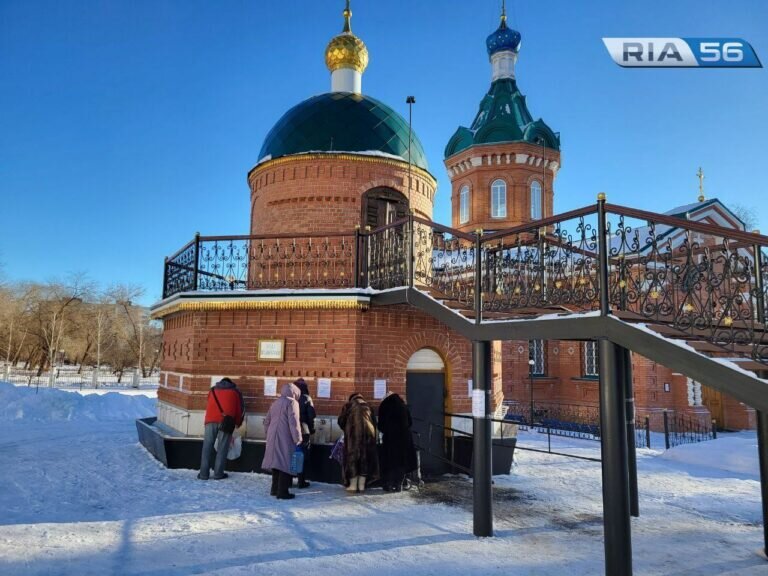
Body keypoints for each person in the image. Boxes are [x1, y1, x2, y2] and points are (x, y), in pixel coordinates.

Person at [198, 377, 244, 481]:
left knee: (207, 447)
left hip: (210, 421)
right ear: (231, 383)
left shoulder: (212, 390)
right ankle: (218, 474)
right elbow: (238, 410)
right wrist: (237, 423)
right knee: (222, 448)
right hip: (226, 423)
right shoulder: (235, 392)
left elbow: (209, 404)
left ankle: (203, 474)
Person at [262, 382, 303, 500]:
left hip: (272, 435)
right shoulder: (292, 402)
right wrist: (298, 438)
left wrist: (268, 434)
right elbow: (293, 422)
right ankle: (283, 492)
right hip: (285, 436)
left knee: (276, 462)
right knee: (285, 462)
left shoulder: (275, 402)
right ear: (295, 393)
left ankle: (274, 489)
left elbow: (267, 421)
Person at [337, 393, 379, 492]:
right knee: (365, 458)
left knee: (353, 458)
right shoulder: (368, 406)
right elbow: (374, 422)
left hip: (353, 436)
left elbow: (341, 421)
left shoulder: (348, 406)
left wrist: (347, 428)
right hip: (368, 435)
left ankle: (353, 486)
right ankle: (361, 486)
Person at [378, 392, 418, 491]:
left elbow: (381, 426)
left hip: (390, 438)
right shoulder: (403, 406)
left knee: (390, 461)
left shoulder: (384, 406)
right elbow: (410, 422)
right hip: (404, 438)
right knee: (402, 462)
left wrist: (387, 431)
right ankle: (399, 484)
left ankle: (389, 484)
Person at [294, 378, 316, 489]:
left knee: (290, 454)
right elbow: (311, 416)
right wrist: (311, 429)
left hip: (290, 430)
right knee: (301, 455)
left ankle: (288, 480)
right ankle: (301, 481)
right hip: (303, 430)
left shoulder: (291, 397)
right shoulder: (307, 398)